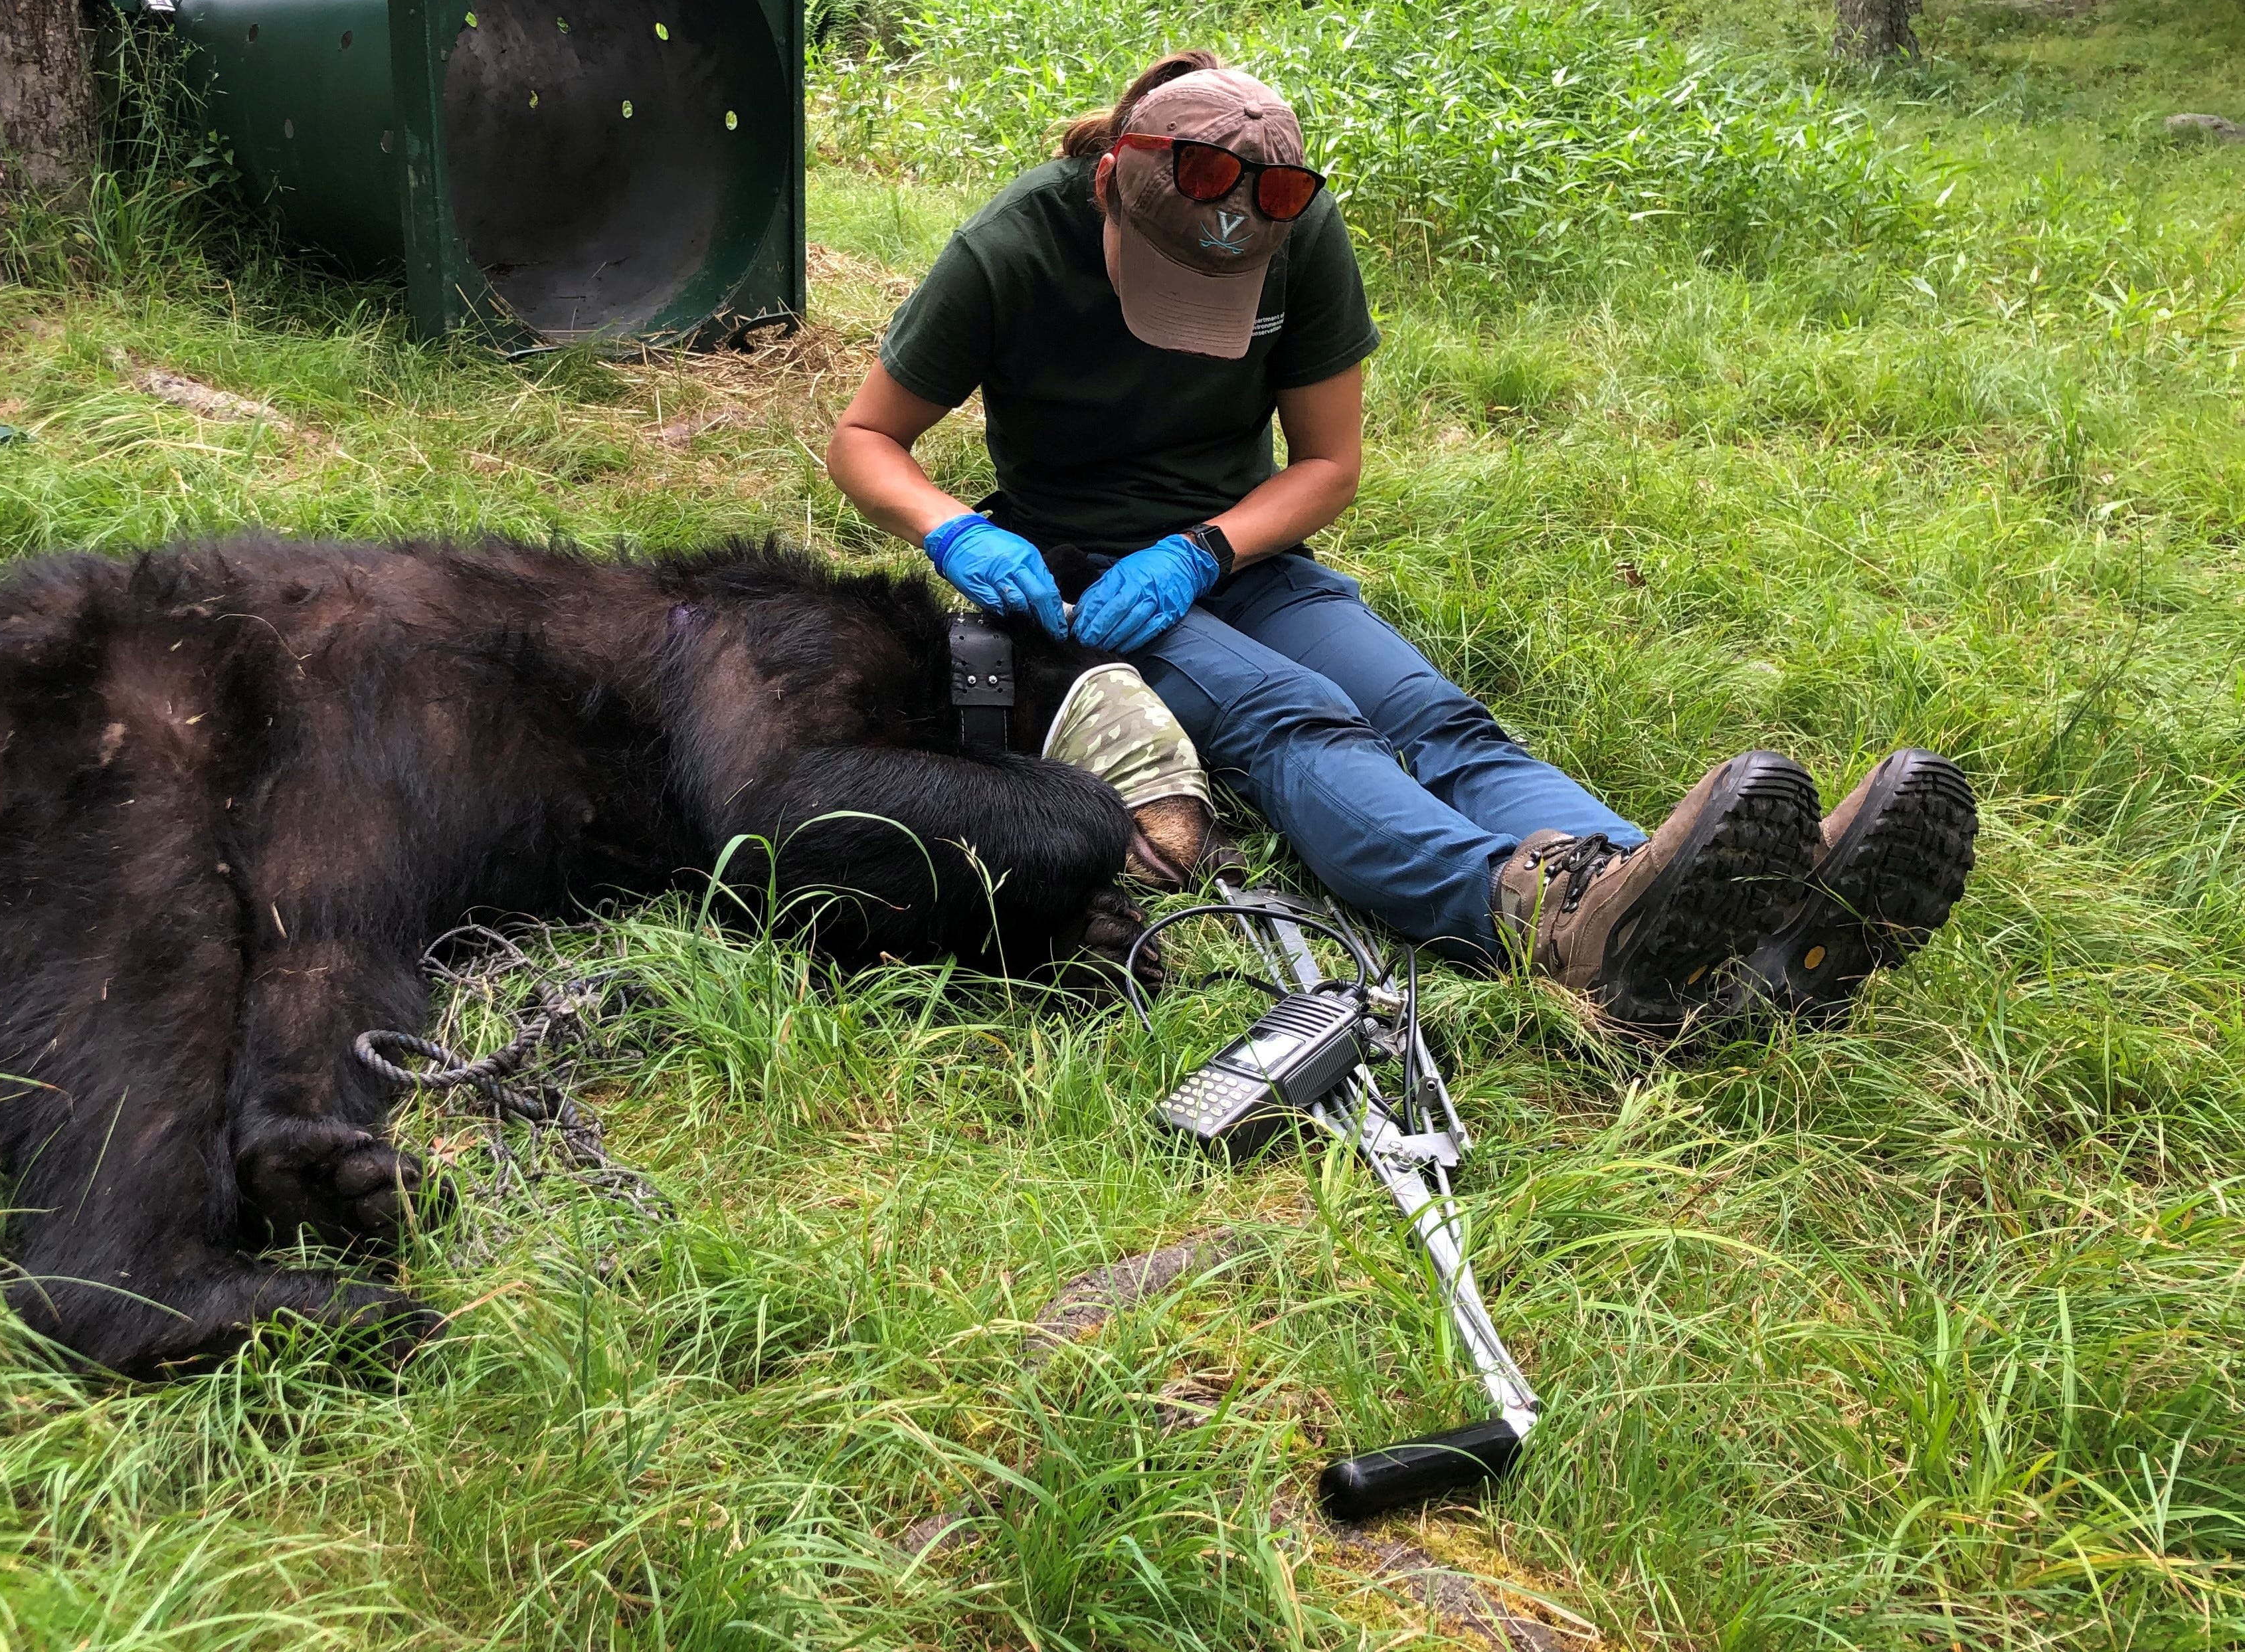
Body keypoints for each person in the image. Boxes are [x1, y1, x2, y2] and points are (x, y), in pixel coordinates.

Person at [824, 51, 1977, 1040]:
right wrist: (957, 529)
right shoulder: (1013, 246)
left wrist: (1208, 549)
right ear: (1113, 189)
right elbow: (869, 438)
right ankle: (1536, 919)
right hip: (1081, 578)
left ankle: (1700, 894)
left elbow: (1326, 463)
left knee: (1434, 716)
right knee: (1287, 717)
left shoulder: (1294, 219)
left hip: (1237, 552)